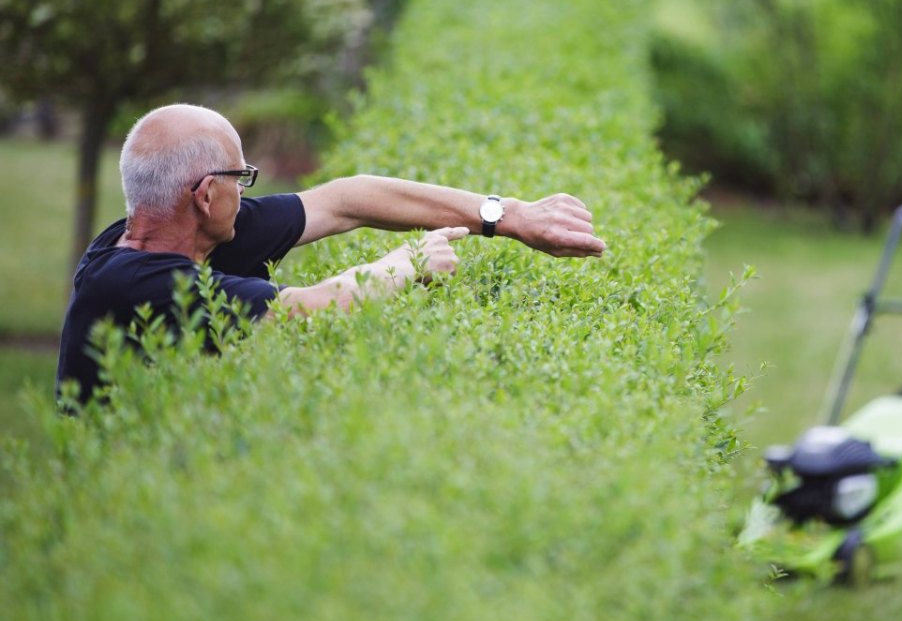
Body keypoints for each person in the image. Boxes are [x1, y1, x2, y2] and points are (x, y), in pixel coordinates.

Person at [56, 103, 607, 407]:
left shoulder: (179, 230)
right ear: (204, 195)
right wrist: (408, 263)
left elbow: (347, 199)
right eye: (241, 177)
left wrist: (508, 215)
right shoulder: (136, 283)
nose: (245, 190)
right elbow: (301, 311)